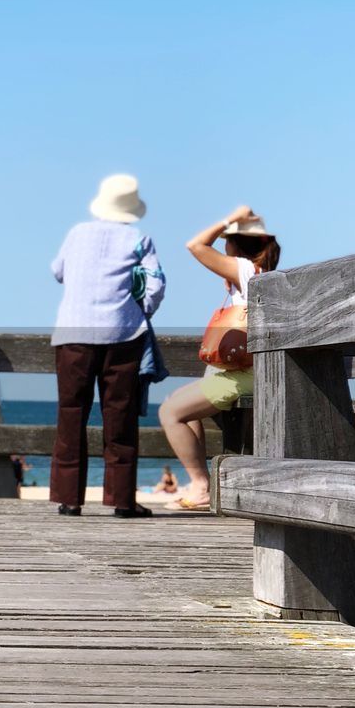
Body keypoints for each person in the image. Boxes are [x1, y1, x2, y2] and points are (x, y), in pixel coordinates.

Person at [50, 174, 166, 519]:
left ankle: (69, 499)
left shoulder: (76, 234)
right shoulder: (138, 238)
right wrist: (142, 310)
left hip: (73, 333)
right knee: (121, 417)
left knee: (71, 414)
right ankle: (122, 500)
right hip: (122, 333)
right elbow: (156, 284)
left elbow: (57, 271)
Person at [159, 207, 280, 511]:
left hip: (245, 376)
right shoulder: (260, 274)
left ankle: (201, 486)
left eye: (227, 238)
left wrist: (228, 218)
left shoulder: (244, 268)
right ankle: (201, 483)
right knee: (180, 403)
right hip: (252, 371)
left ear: (235, 244)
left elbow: (195, 245)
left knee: (170, 412)